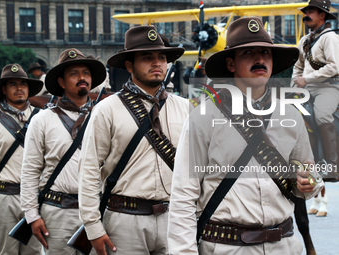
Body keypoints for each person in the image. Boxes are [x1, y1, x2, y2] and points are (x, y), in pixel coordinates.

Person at [167, 17, 324, 255]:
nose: (260, 59)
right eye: (248, 53)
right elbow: (183, 196)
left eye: (265, 53)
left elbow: (308, 175)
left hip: (285, 246)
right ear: (230, 64)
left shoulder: (291, 114)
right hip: (226, 247)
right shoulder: (203, 117)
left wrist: (308, 183)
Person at [78, 25, 189, 255]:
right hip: (124, 221)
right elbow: (88, 169)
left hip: (174, 218)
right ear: (129, 65)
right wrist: (92, 226)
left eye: (161, 57)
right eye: (147, 58)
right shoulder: (106, 109)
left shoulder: (185, 108)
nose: (157, 63)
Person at [20, 48, 106, 254]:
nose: (82, 78)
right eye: (74, 74)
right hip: (56, 212)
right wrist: (32, 215)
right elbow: (30, 171)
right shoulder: (42, 119)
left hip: (97, 211)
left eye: (86, 73)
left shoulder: (104, 117)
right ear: (61, 82)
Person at [0, 63, 43, 255]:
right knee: (5, 251)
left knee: (34, 252)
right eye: (13, 84)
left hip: (35, 196)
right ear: (4, 89)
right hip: (4, 197)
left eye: (23, 84)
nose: (19, 88)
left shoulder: (43, 118)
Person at [292, 0, 339, 176]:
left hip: (328, 87)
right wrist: (294, 86)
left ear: (322, 15)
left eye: (311, 11)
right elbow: (297, 67)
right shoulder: (304, 40)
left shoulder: (330, 37)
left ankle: (332, 166)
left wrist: (307, 79)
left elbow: (334, 67)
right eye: (306, 12)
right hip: (306, 88)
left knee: (322, 114)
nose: (306, 15)